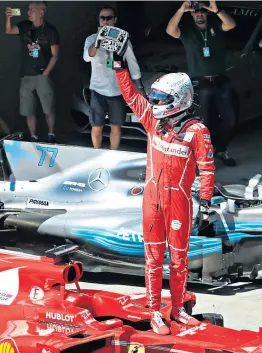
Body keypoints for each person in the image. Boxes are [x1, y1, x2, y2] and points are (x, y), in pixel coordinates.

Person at [108, 35, 215, 335]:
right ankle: (155, 311)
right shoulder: (152, 122)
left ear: (179, 100)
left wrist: (205, 205)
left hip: (180, 202)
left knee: (179, 260)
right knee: (153, 259)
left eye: (160, 100)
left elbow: (207, 170)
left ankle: (178, 309)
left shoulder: (197, 131)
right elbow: (131, 95)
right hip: (151, 201)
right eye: (154, 98)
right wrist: (119, 63)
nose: (154, 104)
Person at [166, 1, 237, 167]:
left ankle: (221, 149)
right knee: (203, 122)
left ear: (207, 13)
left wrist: (216, 9)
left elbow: (231, 24)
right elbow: (170, 31)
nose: (199, 14)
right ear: (191, 14)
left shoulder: (216, 26)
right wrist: (181, 9)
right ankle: (202, 157)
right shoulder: (188, 31)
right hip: (200, 82)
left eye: (202, 12)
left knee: (230, 119)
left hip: (220, 79)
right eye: (196, 12)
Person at [83, 5, 144, 150]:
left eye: (108, 18)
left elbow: (132, 63)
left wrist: (140, 87)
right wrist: (97, 41)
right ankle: (97, 154)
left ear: (114, 20)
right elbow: (87, 57)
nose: (105, 21)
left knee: (116, 127)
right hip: (98, 90)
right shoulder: (91, 39)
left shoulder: (123, 38)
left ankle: (113, 154)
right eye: (102, 18)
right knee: (97, 126)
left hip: (117, 90)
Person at [5, 2, 60, 143]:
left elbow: (55, 54)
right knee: (28, 110)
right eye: (28, 9)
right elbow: (9, 30)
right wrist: (8, 17)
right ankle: (34, 136)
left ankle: (51, 135)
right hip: (26, 75)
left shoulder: (50, 30)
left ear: (41, 12)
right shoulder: (24, 26)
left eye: (32, 10)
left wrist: (46, 73)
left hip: (42, 74)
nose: (28, 12)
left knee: (48, 108)